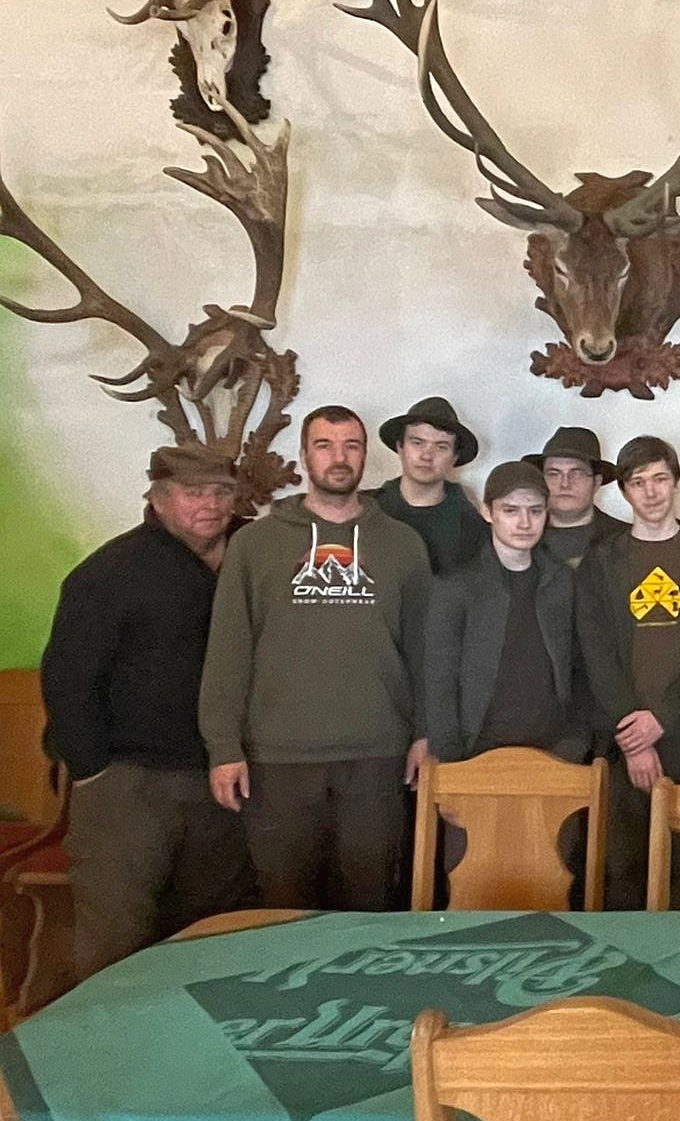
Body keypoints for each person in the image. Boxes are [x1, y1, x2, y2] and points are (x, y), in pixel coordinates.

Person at [199, 406, 432, 911]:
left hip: (376, 757)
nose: (338, 457)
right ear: (304, 456)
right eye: (324, 445)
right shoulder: (254, 544)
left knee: (370, 910)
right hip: (277, 760)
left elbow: (424, 650)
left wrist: (424, 733)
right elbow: (229, 650)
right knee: (282, 910)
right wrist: (223, 746)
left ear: (366, 456)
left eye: (351, 445)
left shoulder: (403, 545)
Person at [40, 446, 258, 975]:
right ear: (157, 499)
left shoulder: (253, 557)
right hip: (130, 782)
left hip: (220, 780)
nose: (210, 504)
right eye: (193, 493)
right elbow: (67, 679)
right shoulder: (109, 573)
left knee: (212, 934)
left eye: (221, 492)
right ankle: (105, 1031)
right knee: (117, 936)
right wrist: (93, 771)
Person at [577, 436, 680, 908]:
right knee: (623, 872)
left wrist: (661, 719)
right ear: (623, 492)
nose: (650, 493)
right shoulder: (600, 563)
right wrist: (635, 738)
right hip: (622, 743)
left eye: (660, 479)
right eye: (638, 482)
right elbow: (596, 655)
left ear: (676, 483)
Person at [422, 462, 588, 766]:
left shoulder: (563, 582)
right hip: (476, 754)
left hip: (555, 754)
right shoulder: (456, 587)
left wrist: (575, 742)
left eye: (535, 511)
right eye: (511, 510)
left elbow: (580, 667)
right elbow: (439, 679)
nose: (524, 522)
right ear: (488, 512)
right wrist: (451, 758)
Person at [372, 397, 489, 575]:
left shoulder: (471, 526)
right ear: (400, 447)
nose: (426, 456)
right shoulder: (369, 511)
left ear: (455, 456)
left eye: (441, 447)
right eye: (417, 443)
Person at [526, 425, 627, 569]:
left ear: (596, 482)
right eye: (554, 474)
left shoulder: (626, 540)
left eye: (577, 473)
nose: (565, 484)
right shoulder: (515, 538)